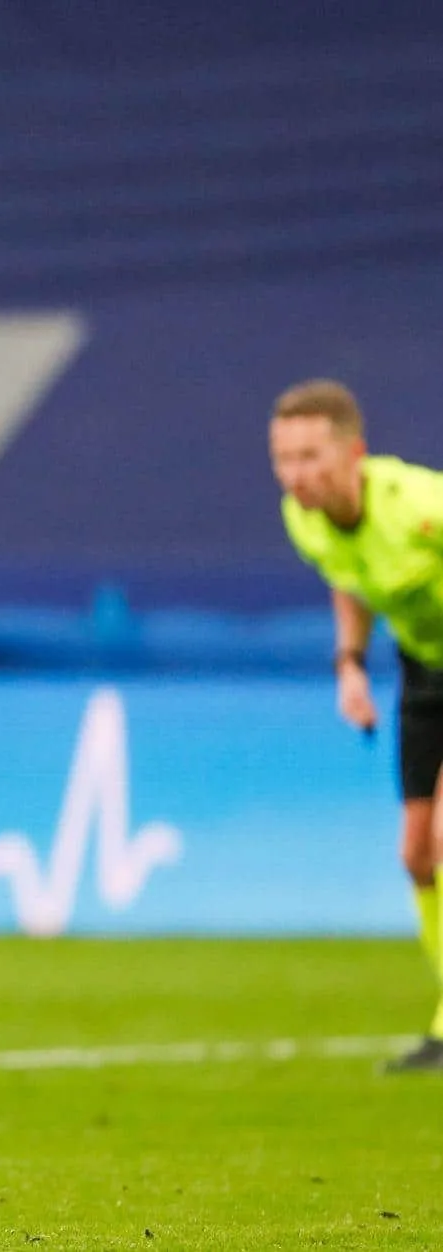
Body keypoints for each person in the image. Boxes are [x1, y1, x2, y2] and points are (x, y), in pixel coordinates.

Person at [270, 379, 443, 1073]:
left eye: (311, 456)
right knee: (416, 855)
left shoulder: (421, 507)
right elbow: (347, 577)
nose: (296, 474)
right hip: (425, 670)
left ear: (354, 454)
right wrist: (348, 664)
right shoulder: (302, 518)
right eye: (283, 458)